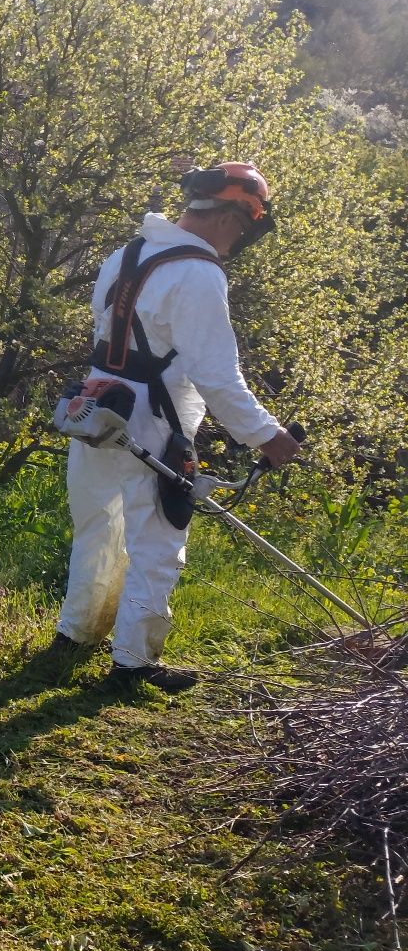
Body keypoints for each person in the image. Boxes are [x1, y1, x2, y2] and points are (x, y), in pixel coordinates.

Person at [52, 162, 302, 691]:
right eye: (242, 228)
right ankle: (133, 664)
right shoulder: (199, 273)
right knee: (158, 540)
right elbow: (216, 374)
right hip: (153, 422)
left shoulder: (126, 254)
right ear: (232, 216)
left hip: (93, 407)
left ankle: (74, 635)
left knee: (96, 524)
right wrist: (266, 435)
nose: (237, 241)